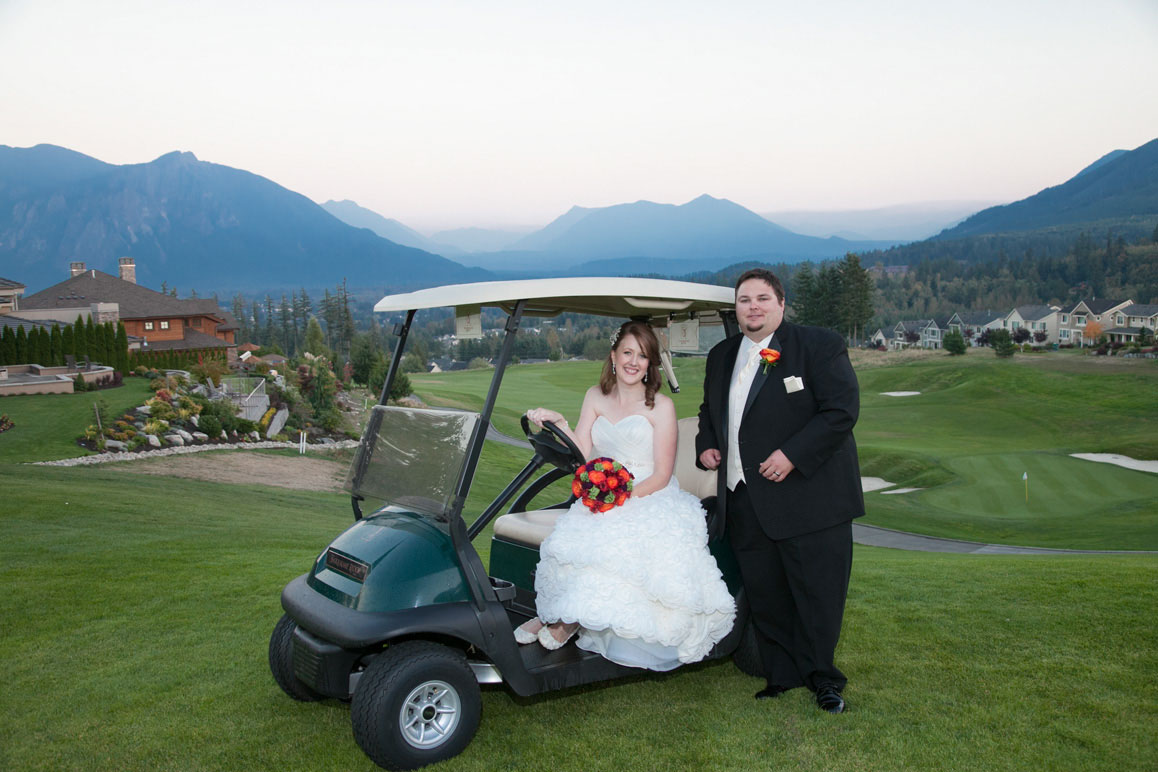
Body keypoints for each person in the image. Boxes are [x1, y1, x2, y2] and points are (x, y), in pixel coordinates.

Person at [515, 321, 735, 671]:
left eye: (643, 356)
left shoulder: (660, 406)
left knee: (608, 540)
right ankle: (552, 614)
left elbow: (662, 474)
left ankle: (571, 620)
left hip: (648, 494)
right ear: (614, 356)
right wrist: (561, 423)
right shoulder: (594, 396)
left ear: (651, 365)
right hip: (606, 493)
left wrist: (621, 498)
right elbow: (584, 455)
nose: (634, 362)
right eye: (628, 353)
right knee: (568, 539)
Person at [695, 268, 864, 713]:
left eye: (762, 299)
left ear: (781, 304)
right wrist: (706, 445)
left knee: (816, 596)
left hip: (809, 500)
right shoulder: (722, 355)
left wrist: (791, 455)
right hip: (746, 499)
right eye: (745, 299)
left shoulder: (818, 347)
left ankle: (824, 680)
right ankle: (781, 675)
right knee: (767, 594)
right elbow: (709, 410)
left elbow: (841, 411)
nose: (753, 307)